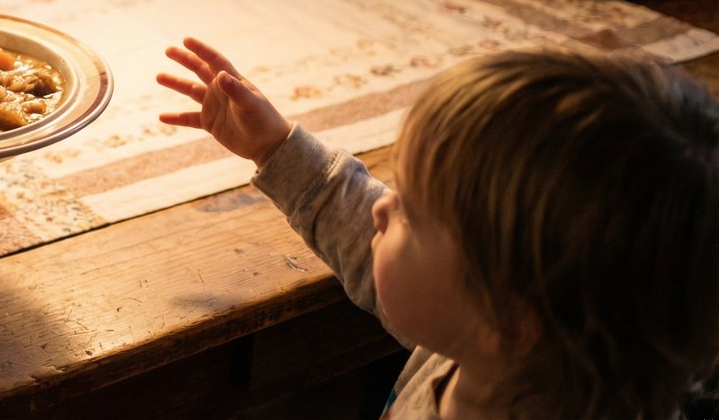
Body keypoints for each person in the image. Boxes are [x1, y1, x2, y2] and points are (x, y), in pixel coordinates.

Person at [157, 38, 719, 419]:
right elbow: (391, 261)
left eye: (414, 214)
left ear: (513, 321)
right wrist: (277, 149)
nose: (381, 208)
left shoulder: (481, 340)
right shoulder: (487, 343)